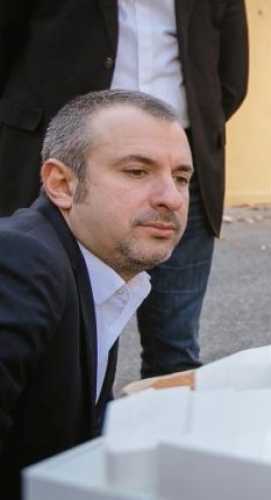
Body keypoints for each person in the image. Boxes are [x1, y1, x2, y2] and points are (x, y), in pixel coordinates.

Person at [0, 0, 249, 378]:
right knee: (56, 345)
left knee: (175, 348)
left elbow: (231, 78)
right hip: (71, 154)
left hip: (186, 152)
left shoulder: (172, 187)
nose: (168, 198)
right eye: (136, 171)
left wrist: (169, 156)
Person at [0, 90, 192, 499]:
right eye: (137, 171)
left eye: (181, 178)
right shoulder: (21, 262)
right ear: (62, 184)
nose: (171, 198)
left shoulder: (96, 270)